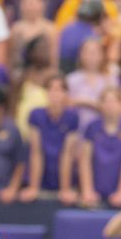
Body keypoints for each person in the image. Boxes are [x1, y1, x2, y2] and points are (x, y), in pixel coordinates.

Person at [21, 76, 80, 205]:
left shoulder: (72, 117)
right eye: (51, 89)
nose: (55, 94)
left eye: (59, 90)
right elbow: (36, 151)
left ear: (65, 94)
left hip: (61, 173)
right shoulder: (36, 115)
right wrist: (34, 187)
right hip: (41, 173)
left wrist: (65, 189)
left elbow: (67, 153)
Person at [79, 88, 121, 208]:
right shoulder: (92, 126)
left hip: (120, 189)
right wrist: (87, 190)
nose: (109, 105)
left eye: (113, 101)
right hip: (96, 187)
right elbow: (85, 160)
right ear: (100, 105)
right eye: (106, 101)